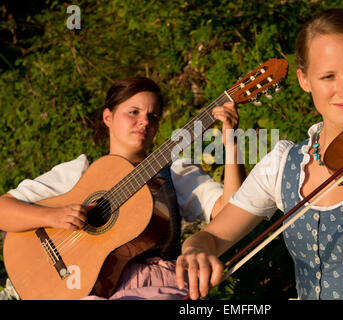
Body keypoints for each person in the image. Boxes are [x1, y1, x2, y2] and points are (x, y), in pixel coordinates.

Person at [175, 8, 343, 300]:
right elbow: (212, 237)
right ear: (304, 80)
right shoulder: (283, 165)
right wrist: (195, 250)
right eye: (327, 76)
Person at [0, 76, 246, 300]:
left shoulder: (175, 173)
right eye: (133, 112)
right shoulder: (78, 172)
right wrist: (52, 216)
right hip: (81, 289)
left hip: (156, 287)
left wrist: (233, 144)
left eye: (153, 116)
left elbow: (232, 212)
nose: (144, 122)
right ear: (108, 117)